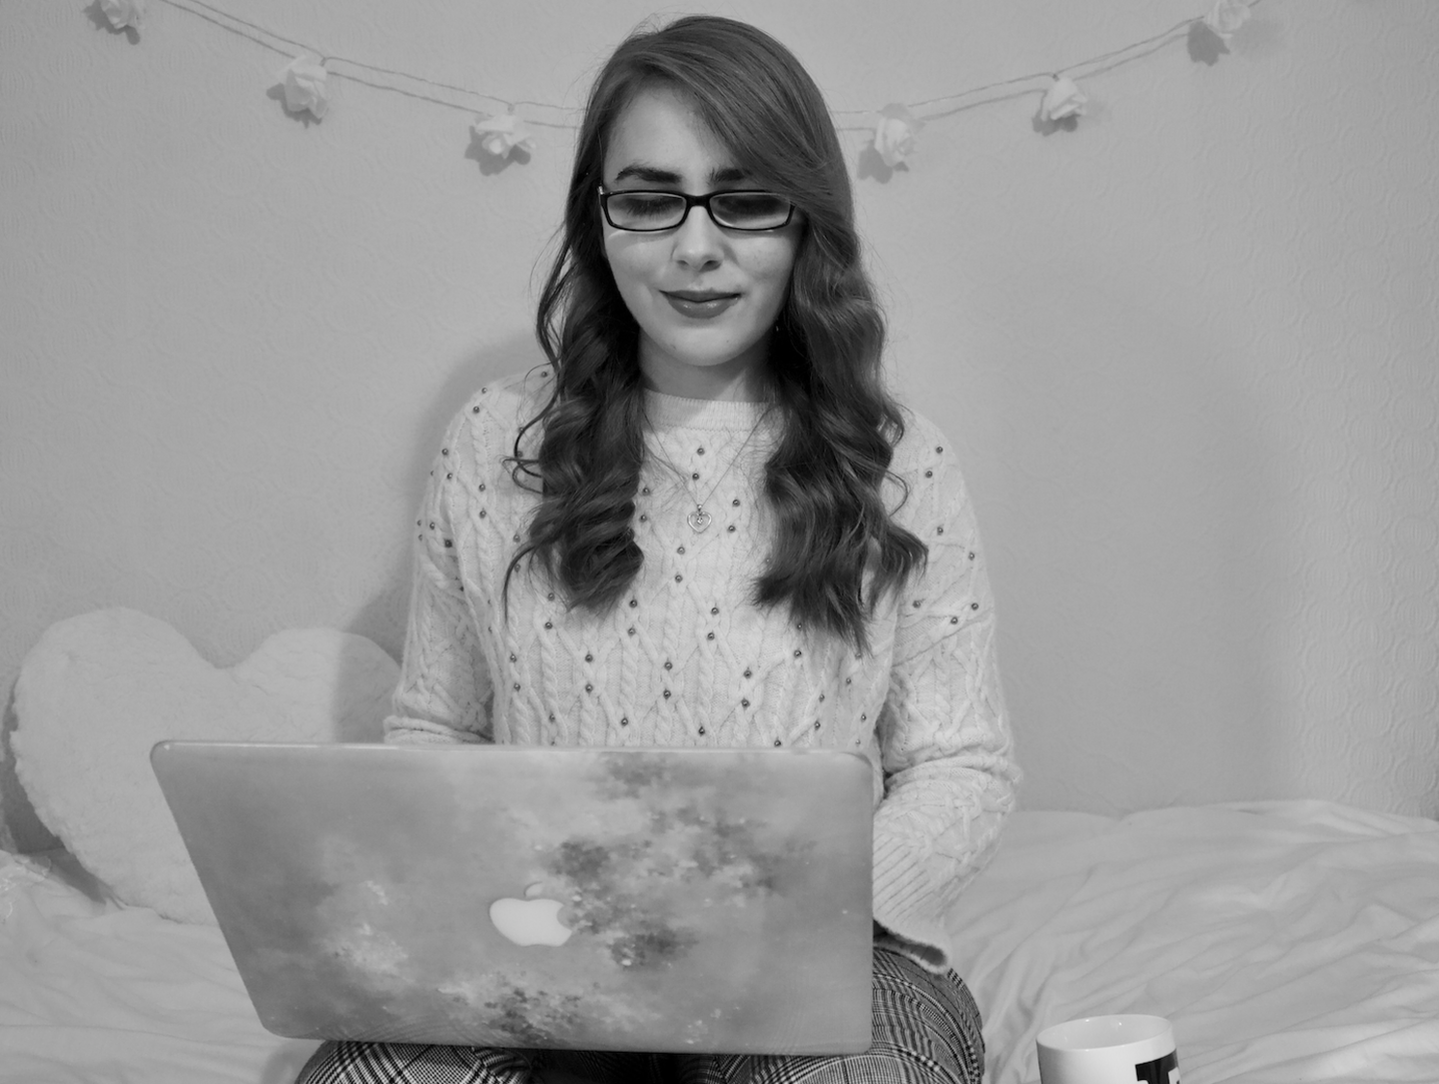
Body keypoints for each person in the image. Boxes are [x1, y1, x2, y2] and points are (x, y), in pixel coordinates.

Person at [297, 14, 1017, 1084]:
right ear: (601, 221)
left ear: (804, 219)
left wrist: (819, 895)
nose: (695, 246)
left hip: (822, 952)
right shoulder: (494, 440)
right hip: (544, 950)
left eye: (745, 199)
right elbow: (434, 727)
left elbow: (964, 764)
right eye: (648, 197)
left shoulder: (897, 459)